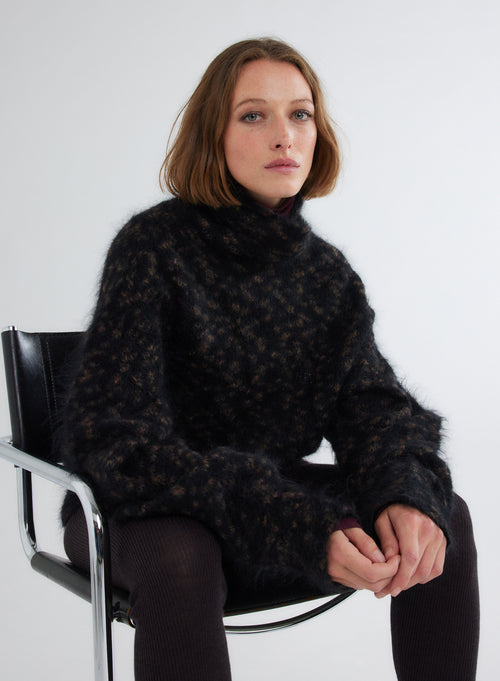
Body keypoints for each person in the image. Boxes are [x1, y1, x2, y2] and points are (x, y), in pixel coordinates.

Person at [61, 38, 480, 681]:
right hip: (138, 512)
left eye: (300, 114)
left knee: (437, 515)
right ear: (215, 134)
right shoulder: (152, 248)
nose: (284, 135)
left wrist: (403, 493)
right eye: (254, 115)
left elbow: (378, 412)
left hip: (268, 509)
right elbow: (117, 447)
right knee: (182, 554)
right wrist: (292, 525)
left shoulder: (327, 277)